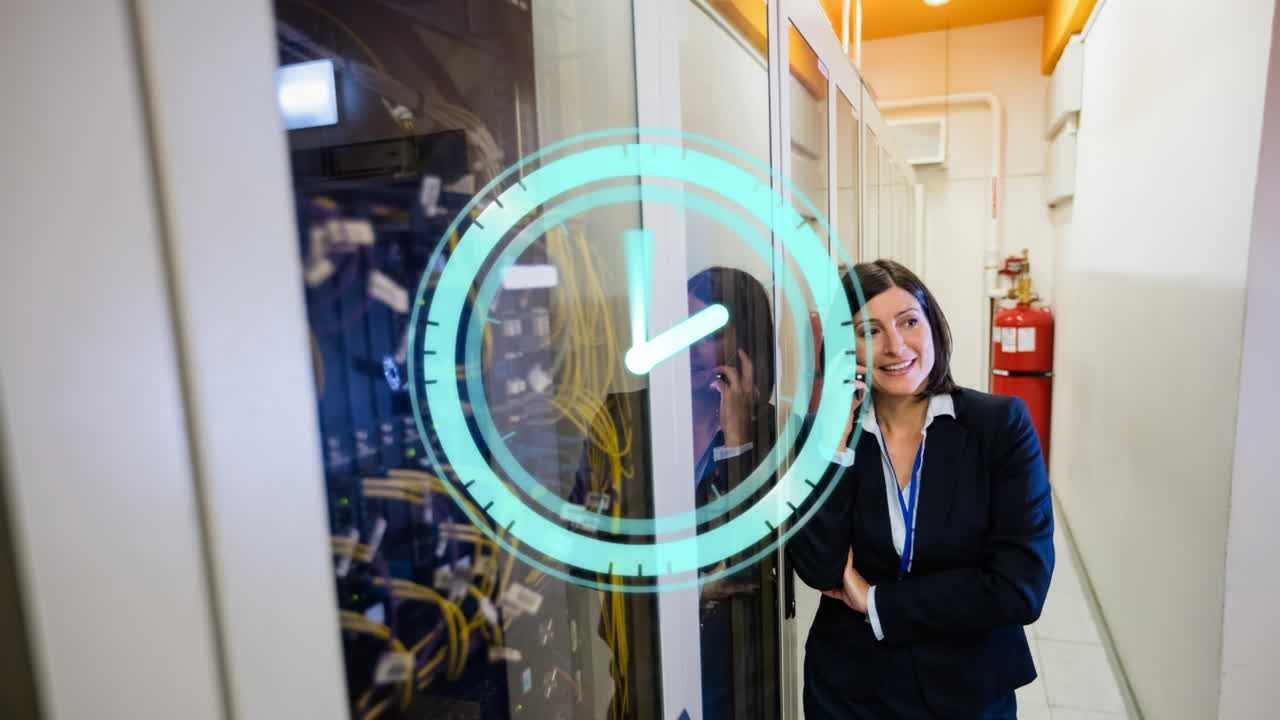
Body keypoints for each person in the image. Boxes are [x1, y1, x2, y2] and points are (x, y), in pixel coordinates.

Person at [788, 259, 1054, 719]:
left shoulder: (999, 426)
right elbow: (819, 568)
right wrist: (836, 445)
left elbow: (1020, 587)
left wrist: (876, 601)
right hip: (850, 691)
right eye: (869, 331)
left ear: (933, 327)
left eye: (909, 322)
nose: (895, 346)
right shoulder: (822, 435)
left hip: (968, 688)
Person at [572, 266, 779, 720]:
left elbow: (756, 565)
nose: (690, 347)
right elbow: (582, 553)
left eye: (710, 334)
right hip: (643, 661)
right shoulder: (620, 419)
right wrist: (694, 587)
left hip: (736, 675)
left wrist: (738, 441)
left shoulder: (773, 433)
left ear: (746, 345)